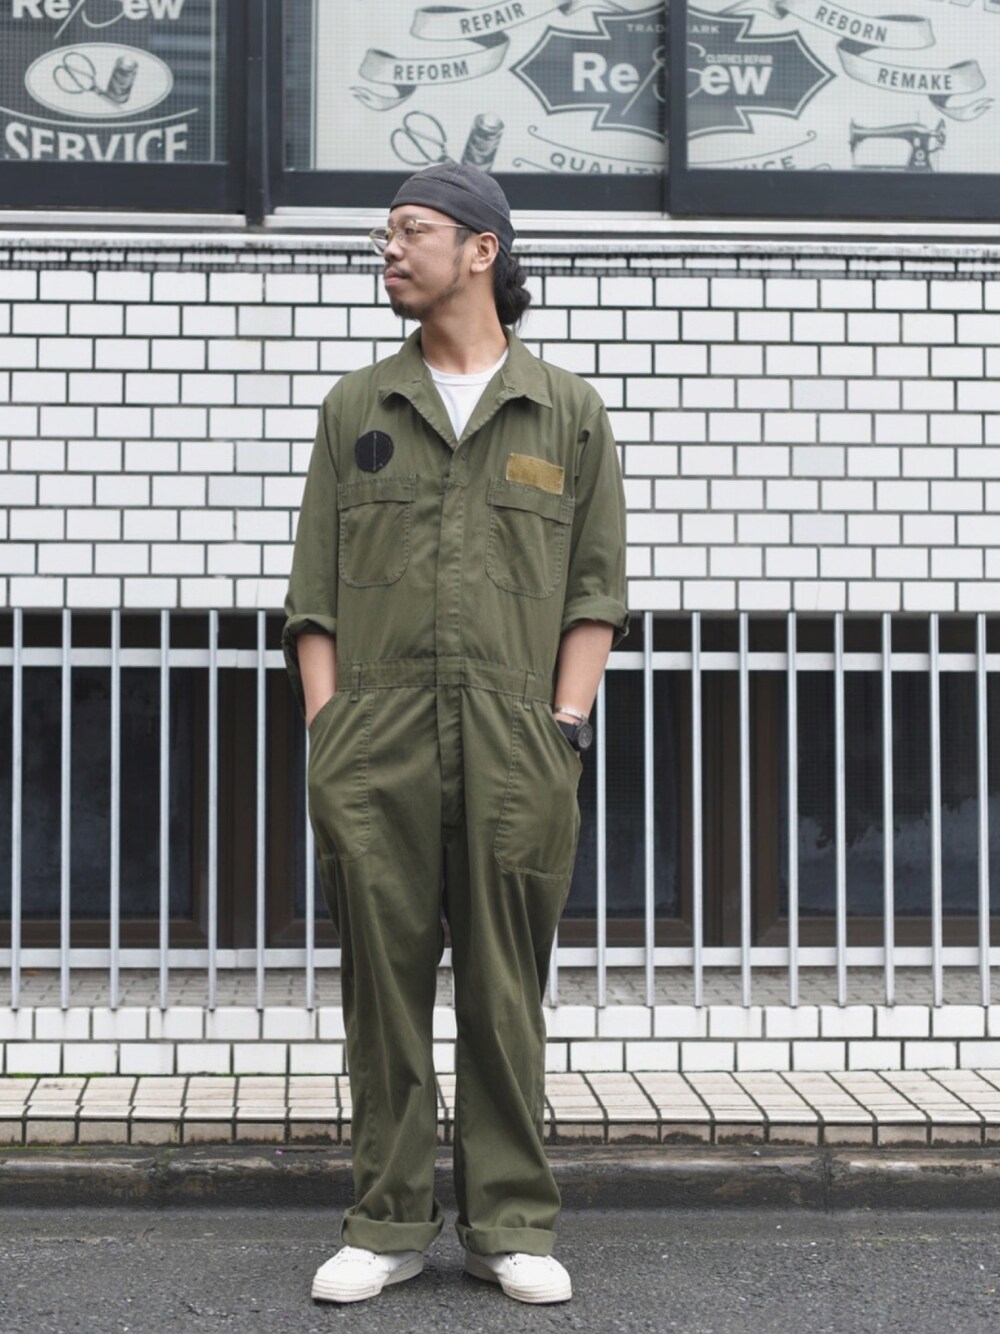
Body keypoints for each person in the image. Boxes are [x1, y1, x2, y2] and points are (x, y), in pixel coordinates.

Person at [282, 163, 627, 1307]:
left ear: (481, 249)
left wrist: (562, 723)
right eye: (386, 233)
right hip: (375, 739)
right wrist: (330, 732)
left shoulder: (565, 411)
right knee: (381, 992)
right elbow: (313, 597)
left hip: (517, 740)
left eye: (410, 230)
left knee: (502, 990)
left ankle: (507, 1224)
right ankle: (384, 1221)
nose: (389, 249)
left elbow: (594, 590)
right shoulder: (357, 408)